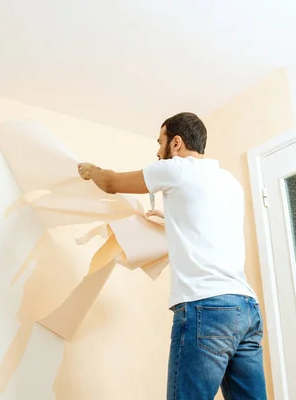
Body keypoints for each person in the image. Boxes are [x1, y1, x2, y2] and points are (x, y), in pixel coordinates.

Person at [77, 112, 266, 400]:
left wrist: (92, 170)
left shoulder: (176, 169)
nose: (157, 151)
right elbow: (209, 227)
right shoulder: (229, 182)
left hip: (206, 307)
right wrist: (170, 220)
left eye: (160, 141)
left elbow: (112, 183)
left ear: (176, 143)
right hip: (246, 309)